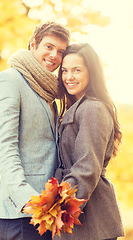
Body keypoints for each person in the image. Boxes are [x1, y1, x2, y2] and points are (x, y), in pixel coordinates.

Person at [0, 21, 70, 240]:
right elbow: (5, 147)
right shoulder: (9, 81)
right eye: (49, 47)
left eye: (60, 52)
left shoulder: (47, 91)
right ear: (33, 44)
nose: (54, 55)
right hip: (20, 212)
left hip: (46, 212)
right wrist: (26, 200)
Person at [54, 43, 125, 240]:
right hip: (82, 215)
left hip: (92, 218)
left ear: (91, 72)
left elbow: (86, 168)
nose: (69, 77)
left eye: (77, 70)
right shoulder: (78, 106)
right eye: (65, 71)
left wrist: (58, 206)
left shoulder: (93, 108)